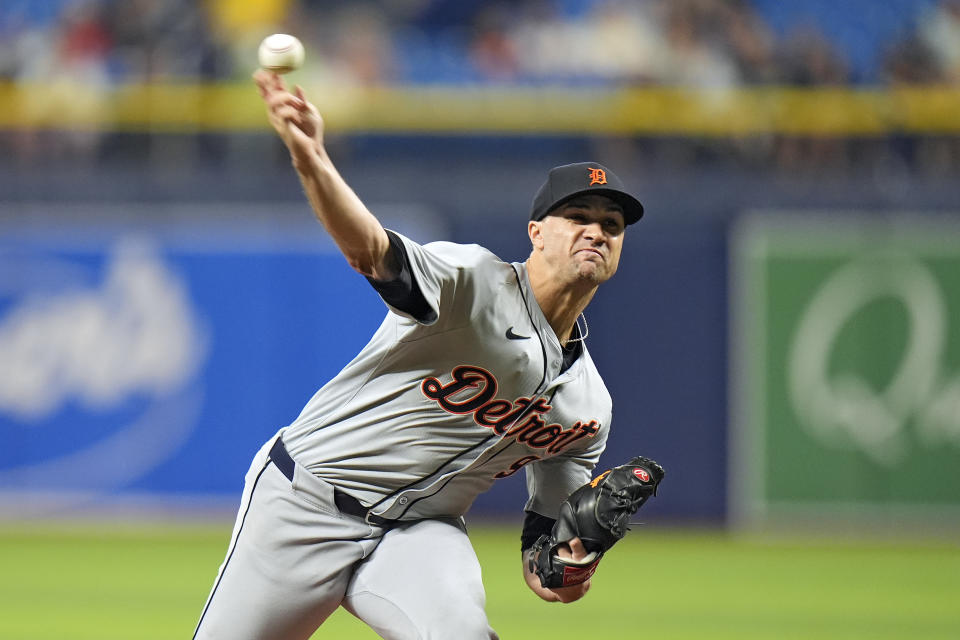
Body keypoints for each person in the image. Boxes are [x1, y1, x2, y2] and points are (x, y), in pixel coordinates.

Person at [192, 70, 647, 640]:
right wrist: (312, 160)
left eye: (612, 224)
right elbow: (370, 251)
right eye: (578, 217)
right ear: (536, 232)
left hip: (419, 534)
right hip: (304, 506)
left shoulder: (588, 407)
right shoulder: (471, 282)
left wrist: (572, 565)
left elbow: (544, 565)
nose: (597, 232)